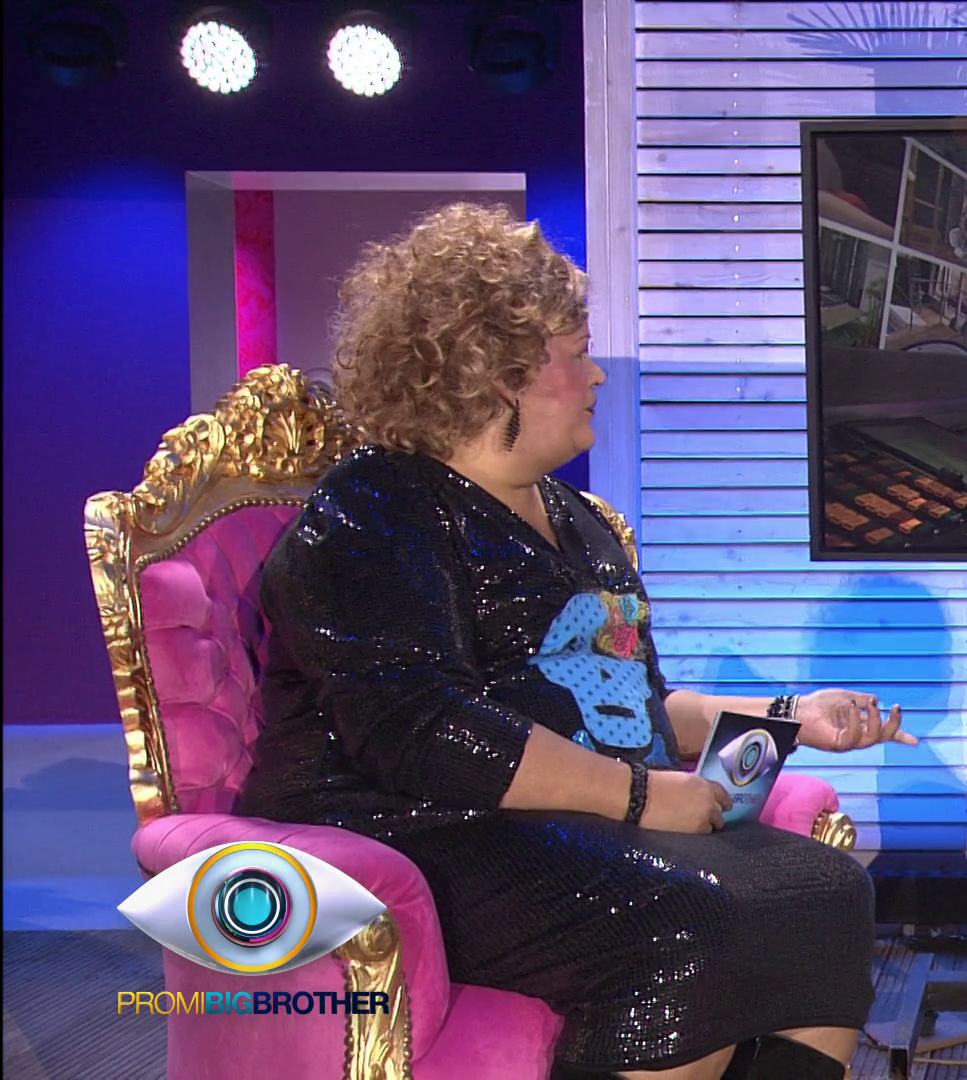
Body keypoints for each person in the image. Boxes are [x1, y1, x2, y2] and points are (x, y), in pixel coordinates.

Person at [236, 204, 916, 1080]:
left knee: (831, 894)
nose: (597, 373)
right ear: (497, 372)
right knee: (693, 915)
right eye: (576, 351)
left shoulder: (580, 521)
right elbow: (422, 727)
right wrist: (638, 797)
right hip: (428, 827)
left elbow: (635, 703)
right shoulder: (378, 505)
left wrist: (791, 715)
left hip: (575, 818)